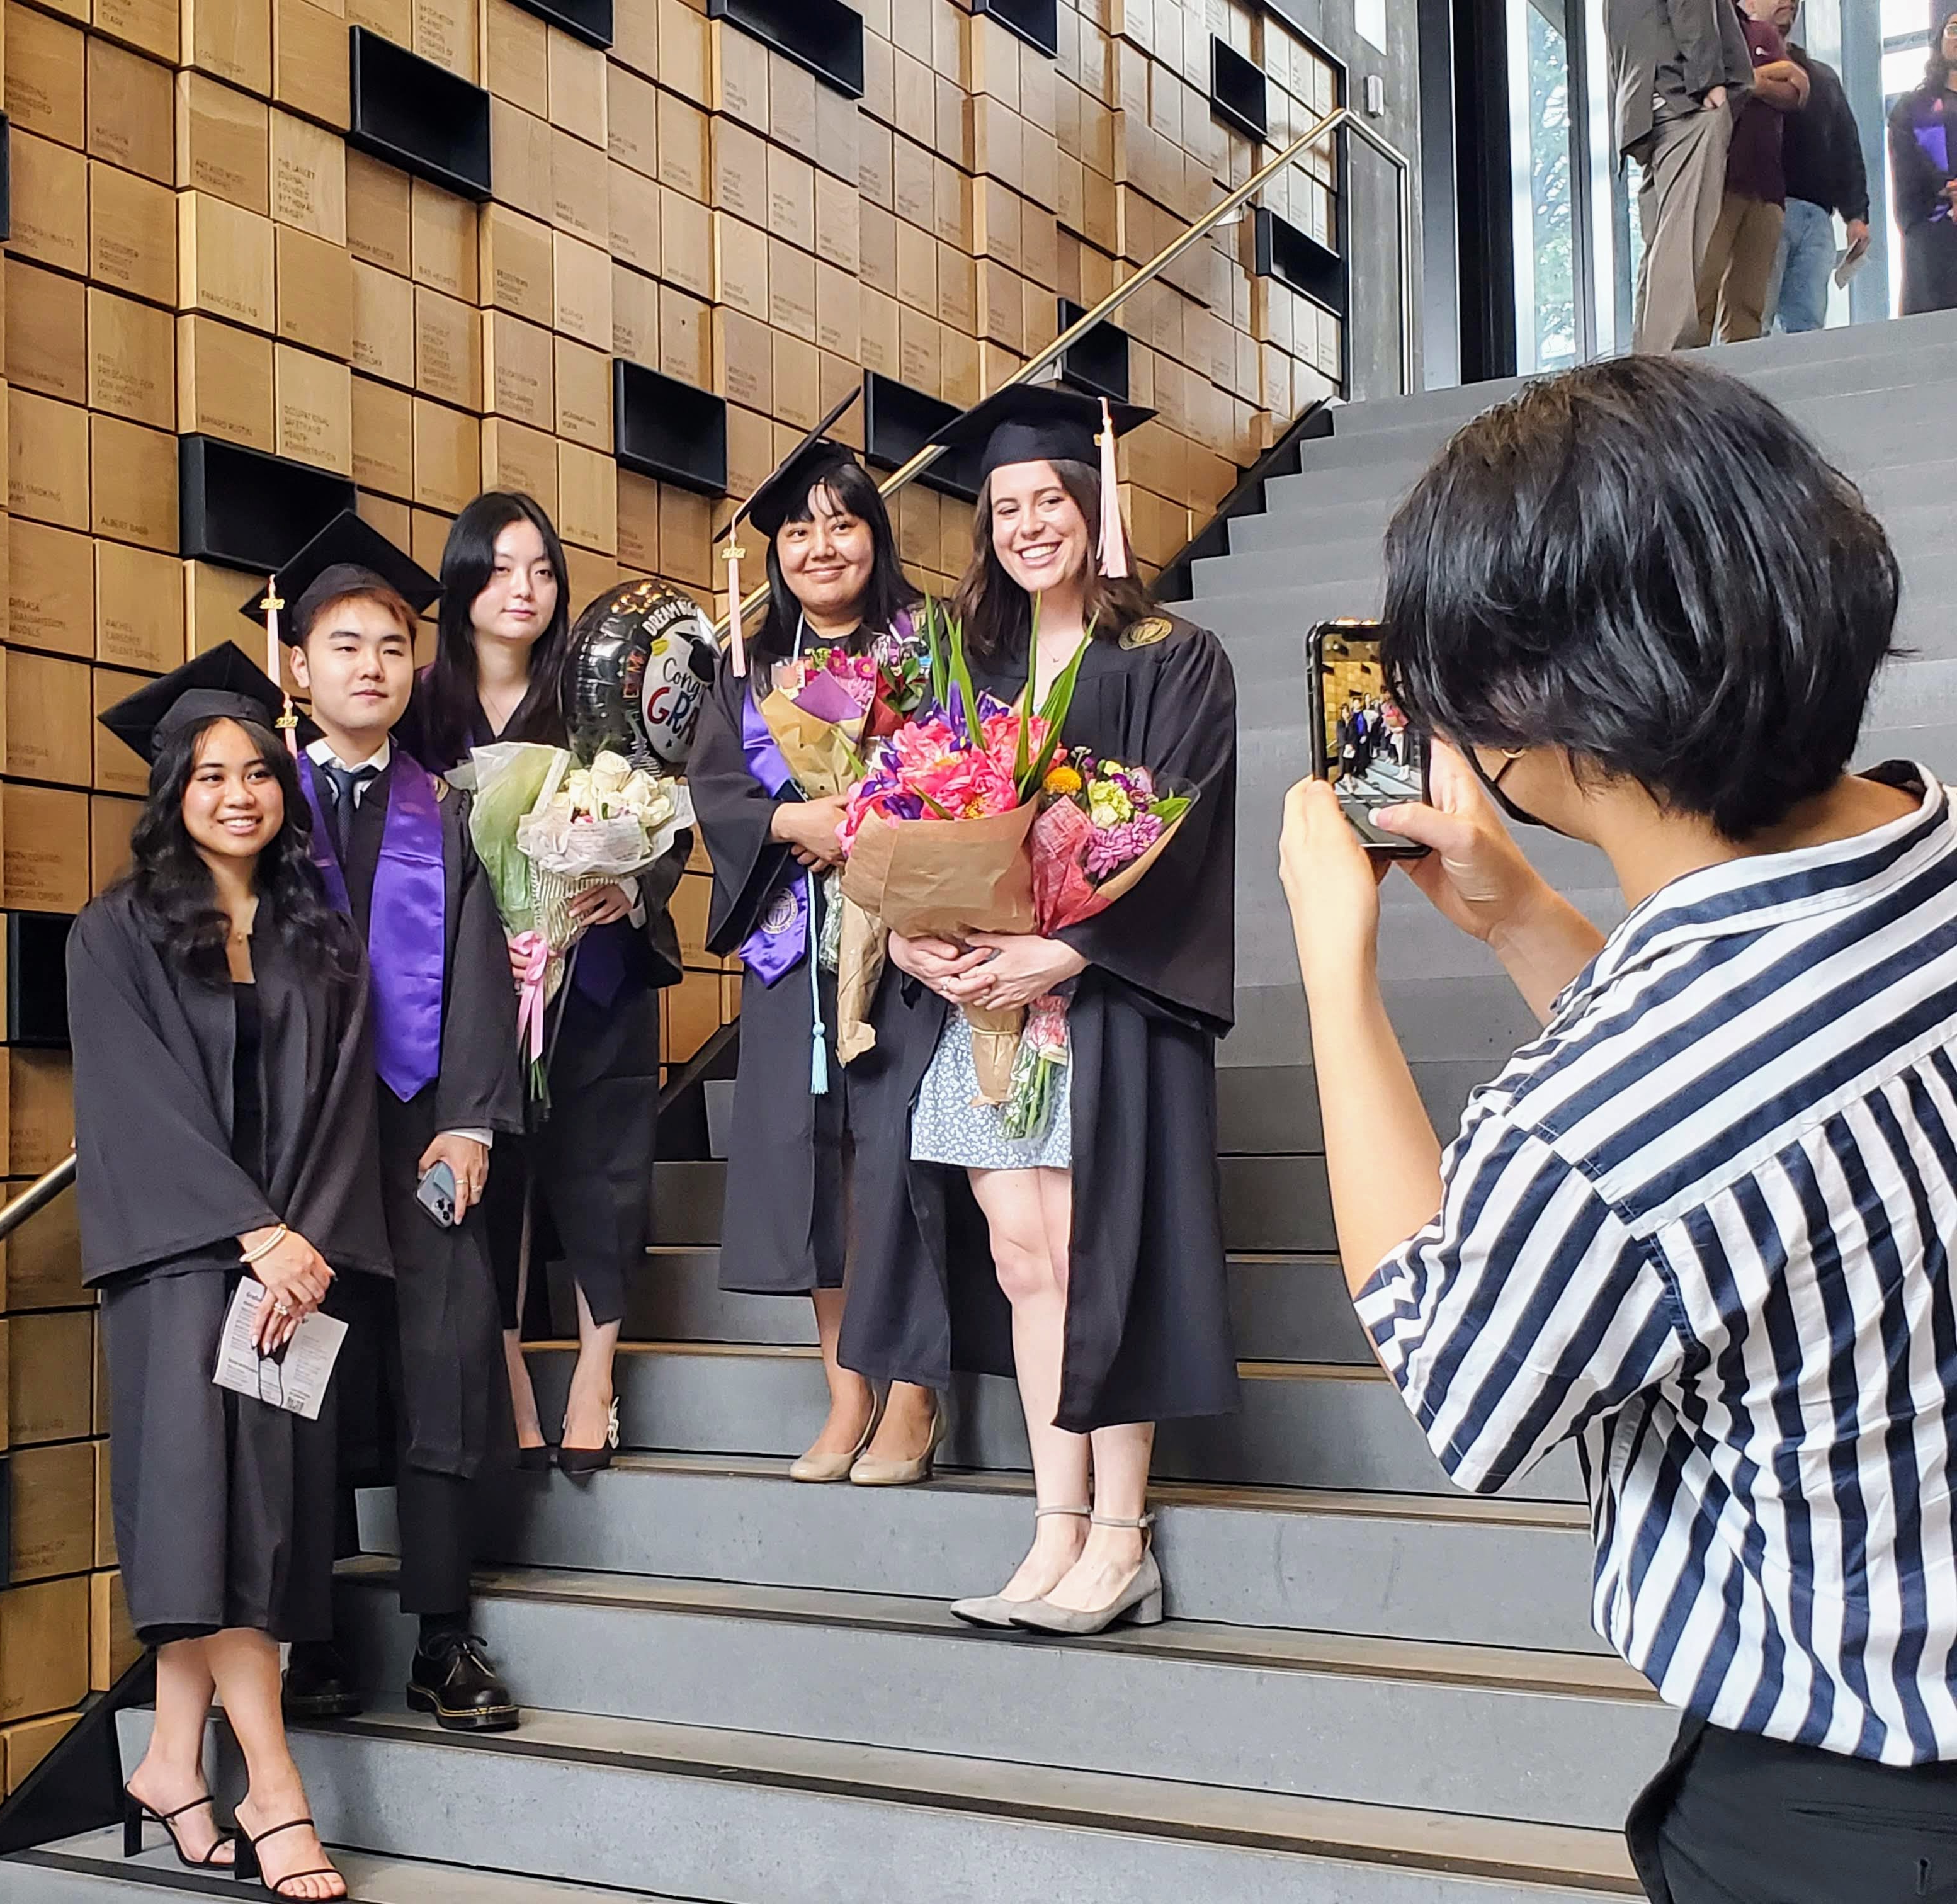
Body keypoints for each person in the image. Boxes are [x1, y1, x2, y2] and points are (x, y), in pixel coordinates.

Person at [1275, 354, 1957, 1900]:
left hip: (1836, 1810)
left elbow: (1454, 1367)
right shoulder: (1932, 846)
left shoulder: (1597, 1118)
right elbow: (1750, 1101)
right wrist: (1525, 920)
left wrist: (1337, 971)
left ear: (1527, 716)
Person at [841, 385, 1240, 1635]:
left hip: (1101, 1004)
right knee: (1021, 1260)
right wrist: (915, 938)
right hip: (979, 1010)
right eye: (1005, 506)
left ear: (1096, 505)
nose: (1028, 525)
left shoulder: (1171, 660)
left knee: (1089, 1254)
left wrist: (1061, 956)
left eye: (1050, 500)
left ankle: (1121, 1535)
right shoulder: (960, 667)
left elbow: (1179, 836)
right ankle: (1052, 1525)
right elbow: (897, 821)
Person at [70, 645, 388, 1901]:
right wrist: (255, 1234)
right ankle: (272, 1788)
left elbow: (347, 1107)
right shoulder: (115, 936)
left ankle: (164, 1765)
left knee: (242, 1526)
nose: (240, 793)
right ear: (172, 796)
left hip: (291, 1272)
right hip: (182, 1268)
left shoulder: (318, 939)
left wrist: (303, 1244)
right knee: (221, 1524)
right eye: (210, 776)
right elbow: (132, 1102)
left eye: (259, 771)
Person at [260, 517, 528, 1737]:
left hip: (420, 1130)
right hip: (302, 1146)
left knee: (441, 1367)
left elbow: (479, 970)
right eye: (343, 644)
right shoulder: (256, 806)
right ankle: (307, 1636)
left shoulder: (447, 810)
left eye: (391, 647)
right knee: (302, 1374)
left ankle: (443, 1635)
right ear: (298, 667)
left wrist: (472, 1123)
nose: (370, 665)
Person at [684, 404, 941, 1483]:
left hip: (908, 950)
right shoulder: (752, 671)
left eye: (841, 525)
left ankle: (914, 1398)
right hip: (795, 952)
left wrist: (880, 818)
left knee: (897, 1164)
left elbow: (971, 770)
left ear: (875, 537)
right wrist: (795, 821)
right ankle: (843, 1393)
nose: (819, 547)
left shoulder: (928, 649)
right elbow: (718, 791)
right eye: (797, 531)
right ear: (775, 552)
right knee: (812, 1168)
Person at [405, 491, 685, 1474]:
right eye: (500, 570)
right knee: (501, 1177)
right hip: (478, 989)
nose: (523, 591)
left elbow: (660, 809)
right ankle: (515, 1374)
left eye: (542, 572)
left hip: (594, 973)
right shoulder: (421, 708)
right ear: (462, 585)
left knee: (603, 1171)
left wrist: (628, 887)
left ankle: (599, 1375)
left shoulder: (594, 690)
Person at [1608, 0, 1754, 350]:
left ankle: (1647, 360)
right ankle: (1666, 358)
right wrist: (1709, 83)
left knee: (1662, 237)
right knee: (1682, 235)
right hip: (1684, 98)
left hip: (1645, 104)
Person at [1695, 0, 1807, 342]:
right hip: (1716, 180)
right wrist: (1764, 77)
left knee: (1749, 302)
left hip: (1767, 186)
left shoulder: (1762, 32)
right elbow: (1705, 91)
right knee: (1700, 292)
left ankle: (1738, 384)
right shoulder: (1702, 29)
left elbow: (1796, 92)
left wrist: (1746, 81)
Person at [1766, 0, 1869, 334]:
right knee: (1752, 321)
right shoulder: (1739, 69)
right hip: (1761, 209)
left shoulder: (1822, 77)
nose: (1789, 4)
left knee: (1808, 325)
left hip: (1816, 217)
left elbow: (1846, 148)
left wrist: (1857, 215)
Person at [1887, 10, 1957, 317]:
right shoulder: (1912, 108)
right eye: (1954, 29)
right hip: (1932, 228)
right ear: (1940, 40)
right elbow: (1908, 163)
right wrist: (1948, 189)